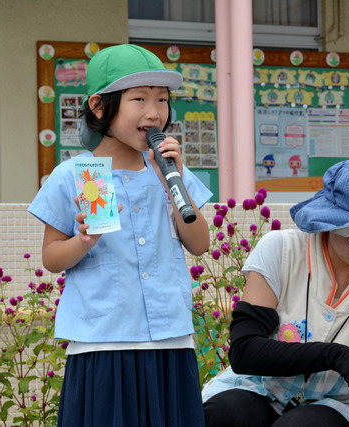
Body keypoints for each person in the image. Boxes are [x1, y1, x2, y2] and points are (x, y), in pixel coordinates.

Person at [28, 44, 212, 427]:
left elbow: (200, 244)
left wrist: (172, 179)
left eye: (162, 99)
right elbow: (50, 258)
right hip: (104, 342)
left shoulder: (168, 170)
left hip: (170, 341)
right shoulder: (80, 175)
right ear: (99, 107)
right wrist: (83, 241)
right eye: (139, 98)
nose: (154, 112)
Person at [202, 154, 349, 427]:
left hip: (340, 405)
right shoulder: (281, 250)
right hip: (261, 387)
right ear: (332, 221)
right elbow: (244, 352)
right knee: (225, 414)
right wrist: (339, 356)